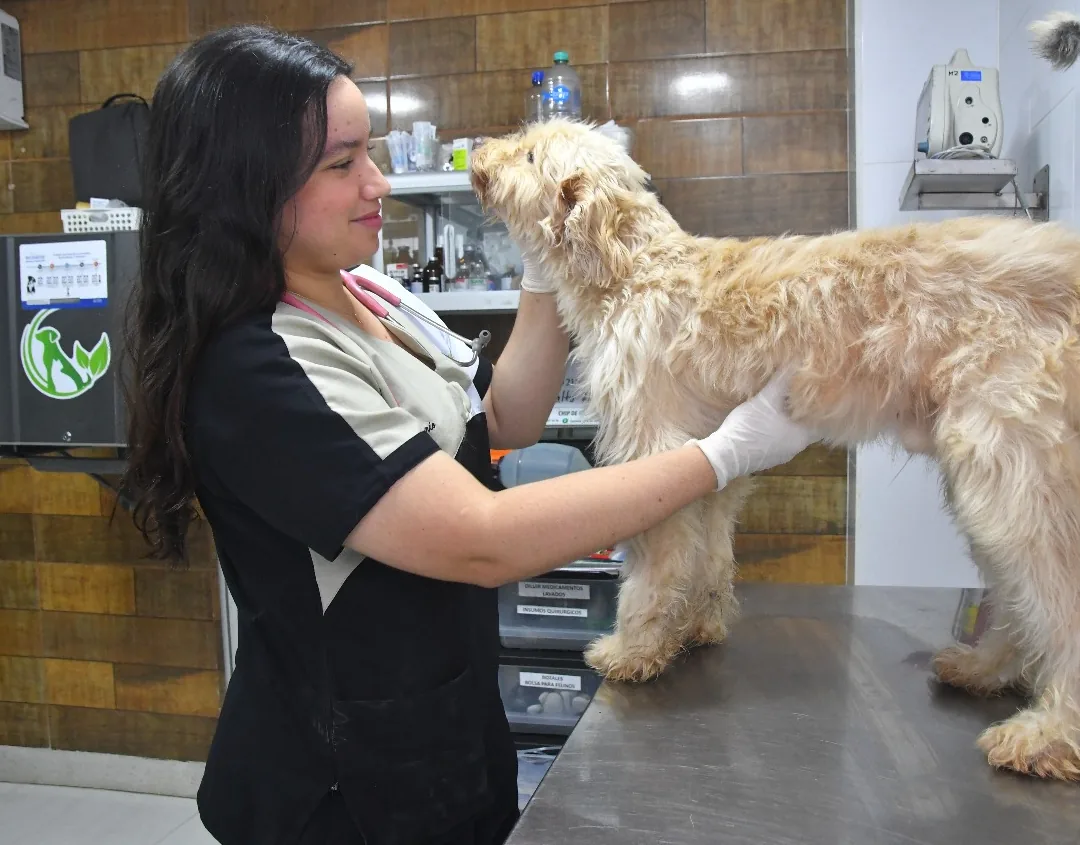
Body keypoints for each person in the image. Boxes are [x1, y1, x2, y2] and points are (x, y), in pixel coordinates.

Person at [121, 25, 815, 845]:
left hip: (444, 722)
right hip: (344, 784)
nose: (376, 182)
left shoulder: (367, 291)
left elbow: (498, 424)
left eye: (370, 151)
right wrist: (722, 454)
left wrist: (543, 266)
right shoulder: (255, 366)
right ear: (242, 185)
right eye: (341, 165)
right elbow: (478, 538)